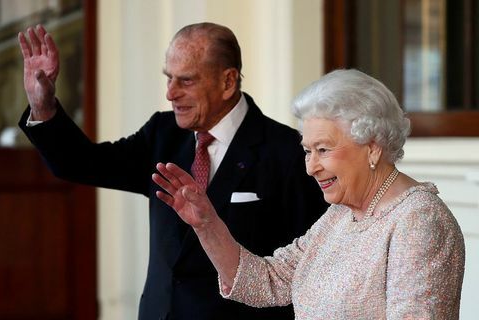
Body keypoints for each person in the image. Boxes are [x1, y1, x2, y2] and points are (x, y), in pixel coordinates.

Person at [17, 23, 328, 320]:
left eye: (186, 80)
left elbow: (308, 270)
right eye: (169, 78)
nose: (170, 93)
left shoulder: (288, 152)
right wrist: (42, 105)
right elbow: (81, 163)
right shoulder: (161, 135)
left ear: (228, 82)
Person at [152, 69, 466, 319]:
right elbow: (268, 281)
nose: (310, 167)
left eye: (323, 150)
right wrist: (207, 224)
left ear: (372, 147)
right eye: (307, 151)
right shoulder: (340, 215)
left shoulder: (418, 221)